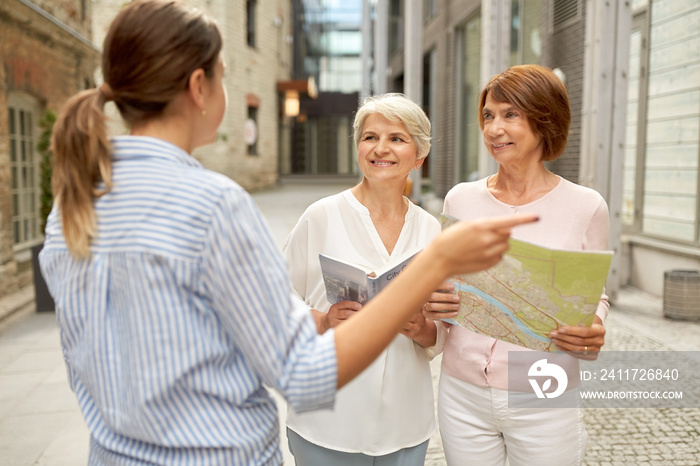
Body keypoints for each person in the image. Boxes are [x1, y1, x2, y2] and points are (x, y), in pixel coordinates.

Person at [39, 1, 538, 464]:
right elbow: (302, 374)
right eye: (223, 77)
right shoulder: (215, 207)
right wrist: (432, 264)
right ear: (198, 88)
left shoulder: (72, 204)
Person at [423, 64, 610, 466]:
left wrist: (592, 327)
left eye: (510, 114)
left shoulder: (586, 206)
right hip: (463, 392)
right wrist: (433, 301)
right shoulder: (460, 200)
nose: (493, 128)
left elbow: (596, 295)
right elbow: (446, 282)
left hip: (543, 388)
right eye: (489, 115)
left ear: (545, 120)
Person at [282, 93, 440, 465]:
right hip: (328, 419)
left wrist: (422, 328)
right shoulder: (320, 216)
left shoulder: (431, 230)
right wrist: (322, 320)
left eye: (396, 138)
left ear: (419, 156)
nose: (380, 148)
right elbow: (274, 298)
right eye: (370, 137)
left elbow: (444, 325)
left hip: (404, 423)